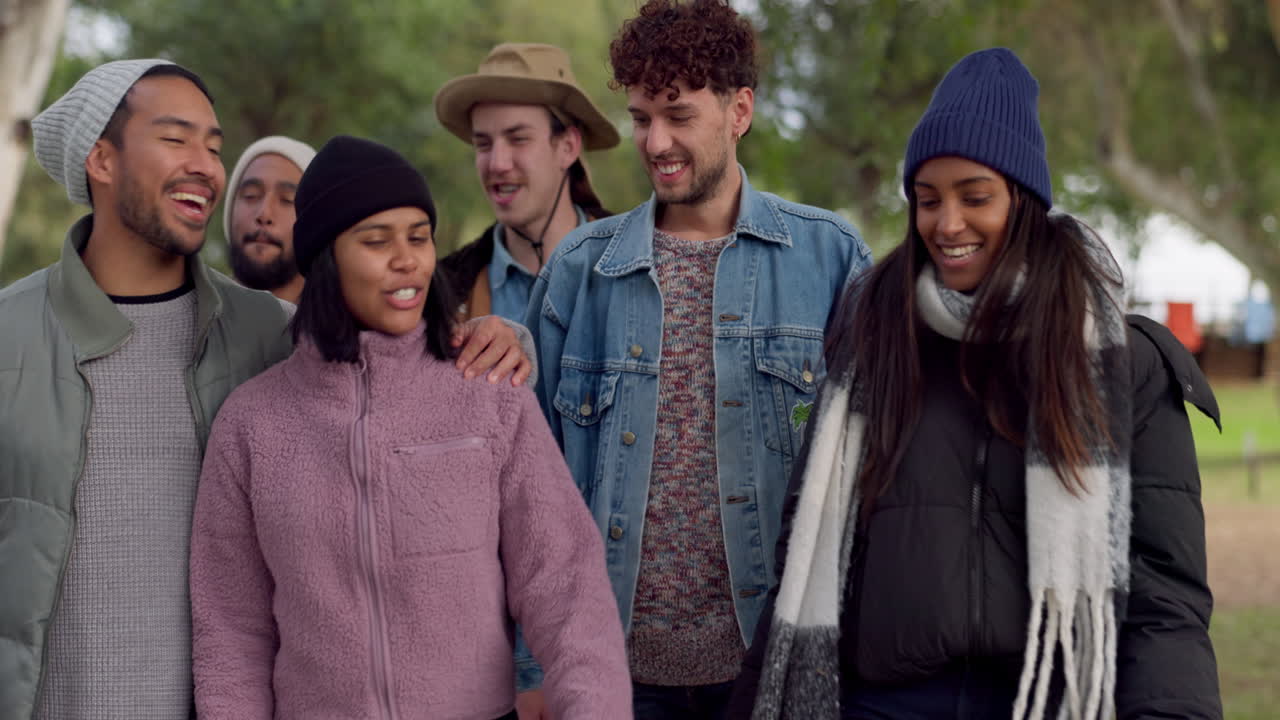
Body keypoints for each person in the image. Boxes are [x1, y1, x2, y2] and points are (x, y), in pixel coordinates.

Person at [0, 60, 532, 720]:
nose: (205, 166)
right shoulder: (10, 337)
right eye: (175, 138)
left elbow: (413, 378)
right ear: (101, 160)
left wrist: (500, 336)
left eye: (213, 146)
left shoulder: (270, 332)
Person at [730, 48, 1222, 720]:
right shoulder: (874, 339)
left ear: (1024, 201)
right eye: (928, 200)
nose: (948, 223)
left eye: (975, 196)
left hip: (1047, 702)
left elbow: (1165, 597)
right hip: (886, 705)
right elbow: (807, 549)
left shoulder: (1125, 364)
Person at [188, 135, 631, 720]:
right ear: (324, 259)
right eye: (377, 241)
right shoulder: (251, 425)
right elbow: (231, 633)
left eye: (419, 237)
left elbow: (567, 590)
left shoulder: (487, 393)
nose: (408, 260)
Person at [524, 2, 873, 717]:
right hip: (613, 674)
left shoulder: (831, 258)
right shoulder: (579, 271)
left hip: (773, 666)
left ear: (739, 110)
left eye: (679, 116)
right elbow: (528, 493)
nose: (656, 142)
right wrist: (533, 670)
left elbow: (874, 481)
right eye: (641, 118)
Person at [435, 42, 619, 323]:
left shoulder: (639, 264)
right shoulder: (444, 293)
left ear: (568, 147)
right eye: (483, 144)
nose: (497, 163)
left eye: (518, 139)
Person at [223, 135, 315, 303]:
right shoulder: (188, 314)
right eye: (251, 195)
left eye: (288, 200)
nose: (264, 214)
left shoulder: (341, 320)